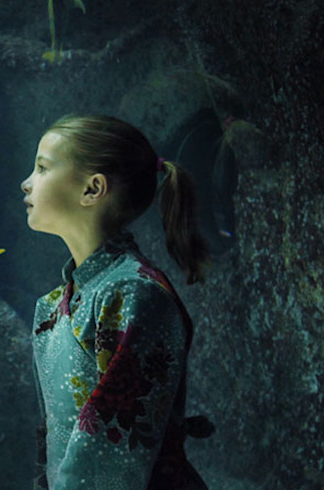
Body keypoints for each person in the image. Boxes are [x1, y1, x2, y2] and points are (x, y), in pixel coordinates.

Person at [20, 114, 211, 489]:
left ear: (92, 189)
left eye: (42, 168)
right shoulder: (52, 306)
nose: (26, 182)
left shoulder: (133, 294)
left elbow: (114, 454)